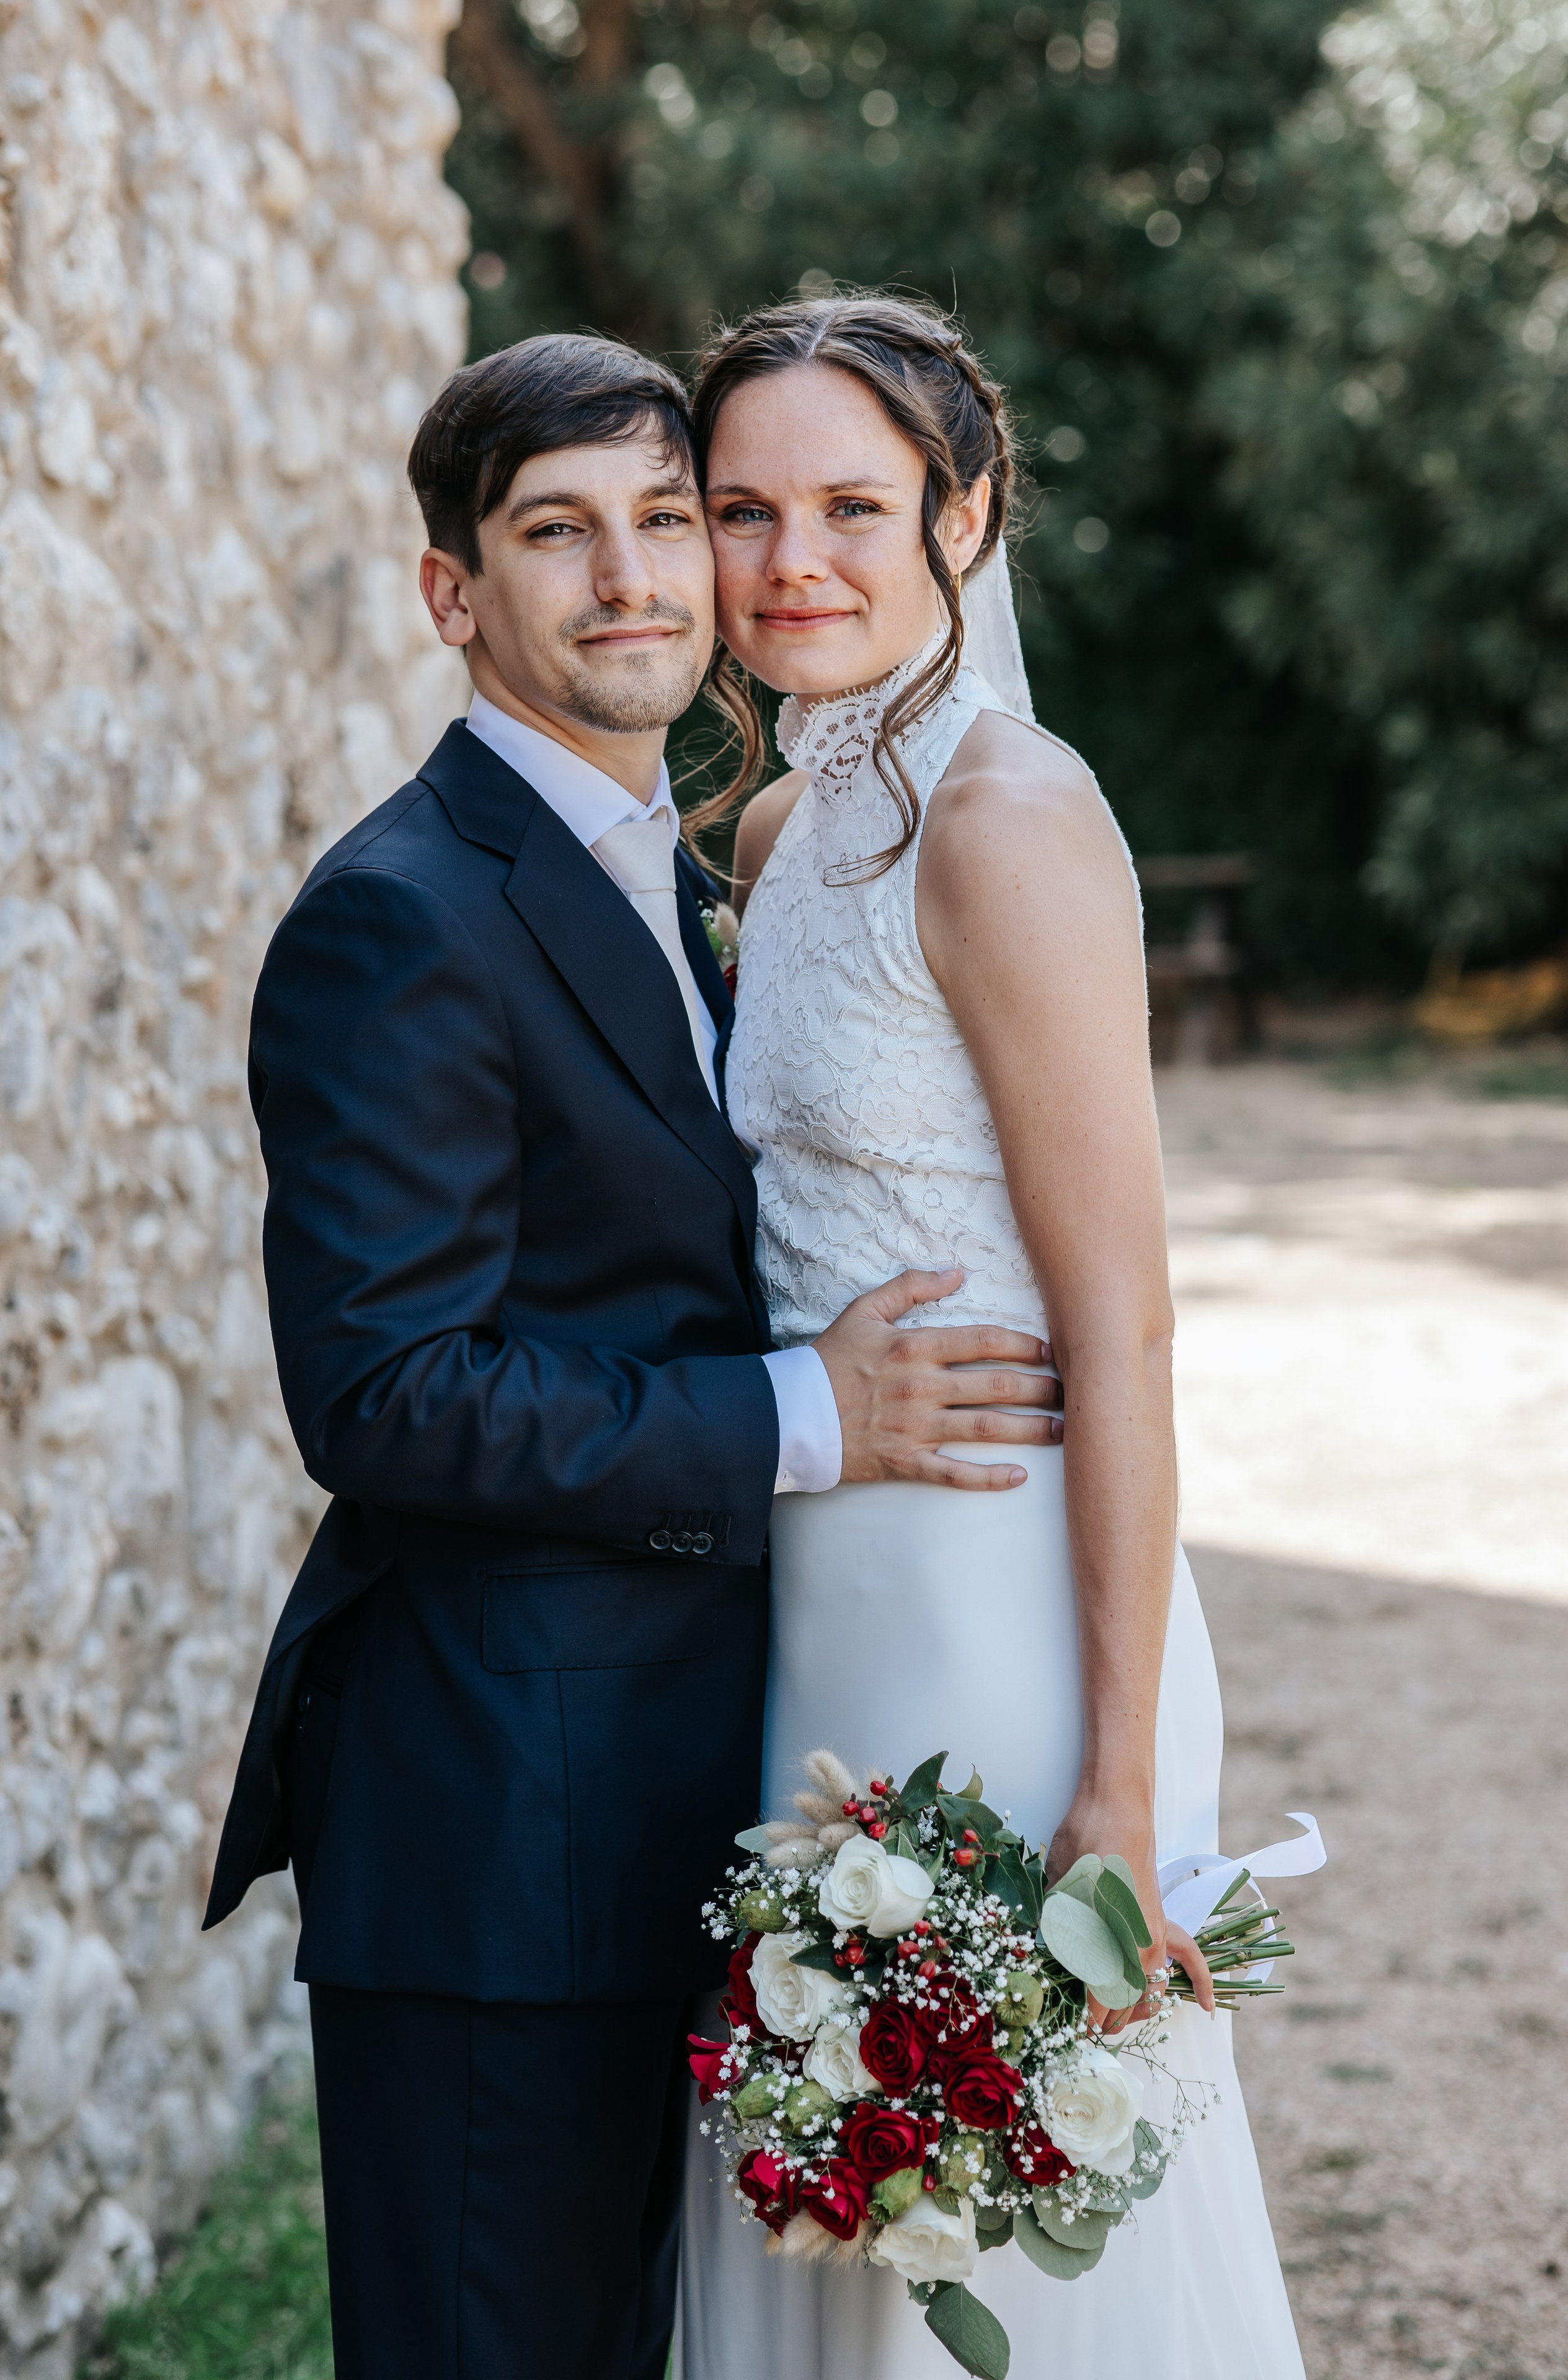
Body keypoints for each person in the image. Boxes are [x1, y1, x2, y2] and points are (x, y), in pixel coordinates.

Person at [200, 330, 1063, 2380]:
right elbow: (387, 1392)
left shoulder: (677, 870)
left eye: (668, 521)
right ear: (452, 594)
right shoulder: (402, 915)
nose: (635, 582)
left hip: (675, 1791)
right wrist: (809, 1412)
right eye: (557, 536)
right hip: (501, 1827)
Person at [675, 295, 1306, 2379]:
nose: (792, 563)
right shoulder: (773, 829)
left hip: (1004, 1610)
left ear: (965, 515)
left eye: (855, 503)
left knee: (1019, 2234)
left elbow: (1123, 1323)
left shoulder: (1010, 819)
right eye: (743, 509)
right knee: (827, 2170)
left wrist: (1119, 1783)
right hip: (822, 1596)